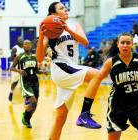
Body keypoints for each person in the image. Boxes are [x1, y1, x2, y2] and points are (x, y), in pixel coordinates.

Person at [36, 2, 101, 140]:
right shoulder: (49, 29)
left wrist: (68, 29)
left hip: (72, 68)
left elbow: (85, 42)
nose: (65, 10)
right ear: (53, 14)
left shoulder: (75, 25)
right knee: (97, 74)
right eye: (61, 8)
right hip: (61, 68)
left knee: (60, 117)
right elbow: (40, 58)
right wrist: (41, 37)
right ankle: (85, 114)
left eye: (66, 8)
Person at [97, 32, 138, 140]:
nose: (125, 45)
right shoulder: (111, 62)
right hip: (117, 105)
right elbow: (98, 78)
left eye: (128, 43)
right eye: (122, 43)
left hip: (137, 102)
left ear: (132, 44)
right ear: (118, 44)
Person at [10, 40, 39, 128]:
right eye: (25, 44)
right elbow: (11, 67)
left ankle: (26, 118)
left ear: (31, 45)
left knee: (35, 104)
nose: (27, 45)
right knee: (33, 101)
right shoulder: (20, 56)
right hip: (25, 81)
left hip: (34, 81)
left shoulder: (34, 56)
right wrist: (19, 70)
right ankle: (26, 117)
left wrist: (43, 72)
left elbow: (36, 70)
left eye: (29, 43)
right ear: (23, 46)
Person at [8, 36, 24, 101]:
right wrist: (18, 58)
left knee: (24, 81)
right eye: (20, 40)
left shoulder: (23, 49)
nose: (21, 40)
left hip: (22, 67)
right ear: (17, 41)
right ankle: (11, 93)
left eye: (22, 39)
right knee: (15, 82)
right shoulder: (15, 48)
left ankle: (26, 97)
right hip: (15, 67)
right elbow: (11, 58)